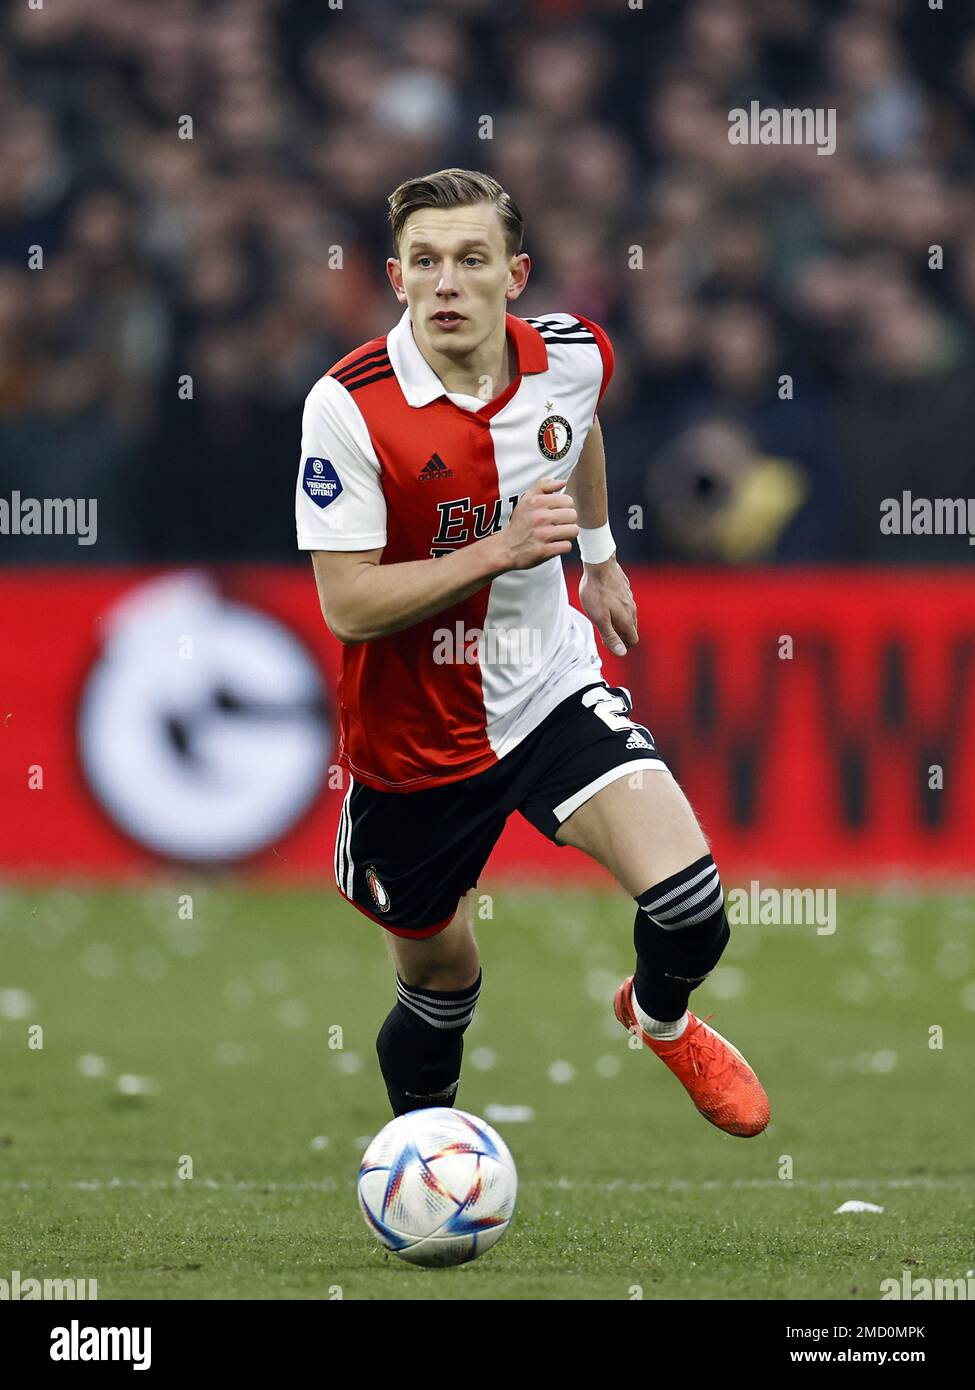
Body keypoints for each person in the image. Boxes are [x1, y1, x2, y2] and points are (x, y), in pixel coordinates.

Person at [295, 168, 769, 1138]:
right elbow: (348, 605)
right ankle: (427, 1154)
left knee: (691, 906)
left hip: (548, 687)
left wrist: (598, 558)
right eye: (425, 262)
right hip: (412, 742)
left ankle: (660, 1016)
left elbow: (575, 429)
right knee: (440, 981)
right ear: (396, 276)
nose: (447, 283)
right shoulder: (348, 408)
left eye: (472, 260)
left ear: (517, 275)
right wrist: (501, 549)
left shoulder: (571, 356)